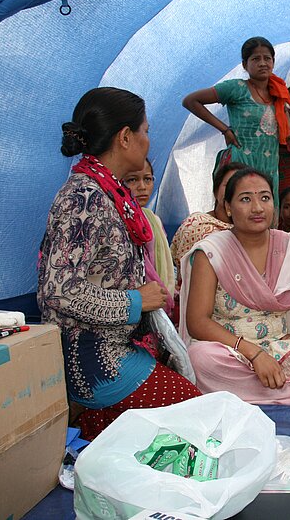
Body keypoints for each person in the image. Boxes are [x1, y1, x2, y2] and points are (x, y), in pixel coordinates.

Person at [38, 87, 201, 440]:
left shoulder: (110, 193)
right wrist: (136, 301)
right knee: (194, 416)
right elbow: (58, 291)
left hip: (120, 345)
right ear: (126, 137)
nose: (148, 139)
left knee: (182, 417)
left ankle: (95, 429)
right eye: (145, 130)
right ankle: (90, 423)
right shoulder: (83, 197)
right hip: (95, 358)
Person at [180, 168, 290, 405]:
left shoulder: (289, 246)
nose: (258, 208)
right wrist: (254, 353)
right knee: (200, 359)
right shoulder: (211, 252)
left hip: (280, 349)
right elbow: (198, 323)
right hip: (231, 351)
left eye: (265, 198)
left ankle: (258, 388)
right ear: (228, 207)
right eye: (245, 199)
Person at [182, 37, 290, 204]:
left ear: (273, 61)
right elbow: (190, 101)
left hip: (269, 167)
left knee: (265, 219)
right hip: (241, 163)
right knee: (237, 215)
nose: (263, 63)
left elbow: (287, 133)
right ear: (244, 64)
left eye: (267, 58)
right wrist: (224, 129)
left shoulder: (279, 93)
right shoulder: (236, 88)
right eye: (256, 59)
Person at [170, 161, 247, 286]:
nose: (234, 191)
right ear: (216, 191)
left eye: (242, 187)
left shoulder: (252, 231)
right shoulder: (197, 225)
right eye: (228, 185)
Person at [123, 158, 176, 316]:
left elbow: (164, 266)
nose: (142, 187)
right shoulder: (120, 222)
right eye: (132, 180)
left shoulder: (152, 219)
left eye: (147, 179)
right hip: (135, 304)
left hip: (160, 299)